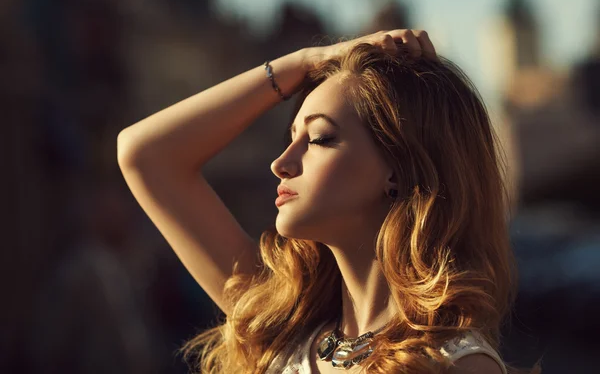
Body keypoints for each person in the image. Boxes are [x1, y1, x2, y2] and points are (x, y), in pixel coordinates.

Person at [117, 29, 541, 373]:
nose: (281, 163)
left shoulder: (453, 365)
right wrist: (303, 63)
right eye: (292, 137)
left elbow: (147, 156)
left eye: (319, 138)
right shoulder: (279, 324)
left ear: (399, 167)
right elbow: (144, 154)